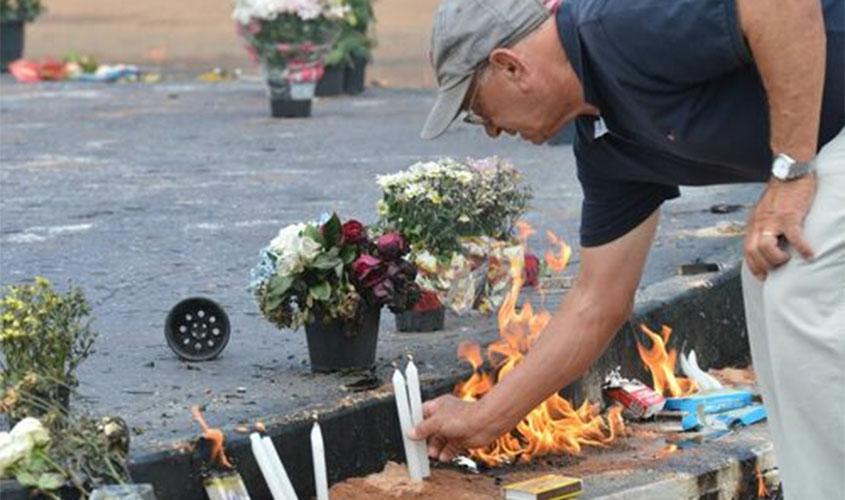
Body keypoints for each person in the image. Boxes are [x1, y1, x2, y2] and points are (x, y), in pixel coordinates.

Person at [409, 0, 844, 498]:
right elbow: (598, 302)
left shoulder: (616, 23)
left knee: (800, 282)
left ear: (511, 65)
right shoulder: (606, 143)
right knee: (769, 271)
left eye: (477, 108)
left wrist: (790, 173)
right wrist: (486, 417)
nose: (489, 129)